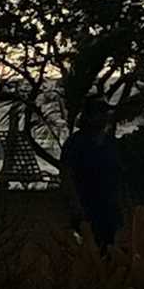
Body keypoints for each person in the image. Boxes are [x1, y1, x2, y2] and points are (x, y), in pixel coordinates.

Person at [59, 97, 121, 249]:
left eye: (106, 113)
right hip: (86, 204)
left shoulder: (109, 142)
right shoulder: (75, 143)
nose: (105, 117)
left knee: (108, 247)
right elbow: (67, 175)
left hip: (108, 206)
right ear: (89, 116)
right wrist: (75, 204)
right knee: (88, 249)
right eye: (100, 113)